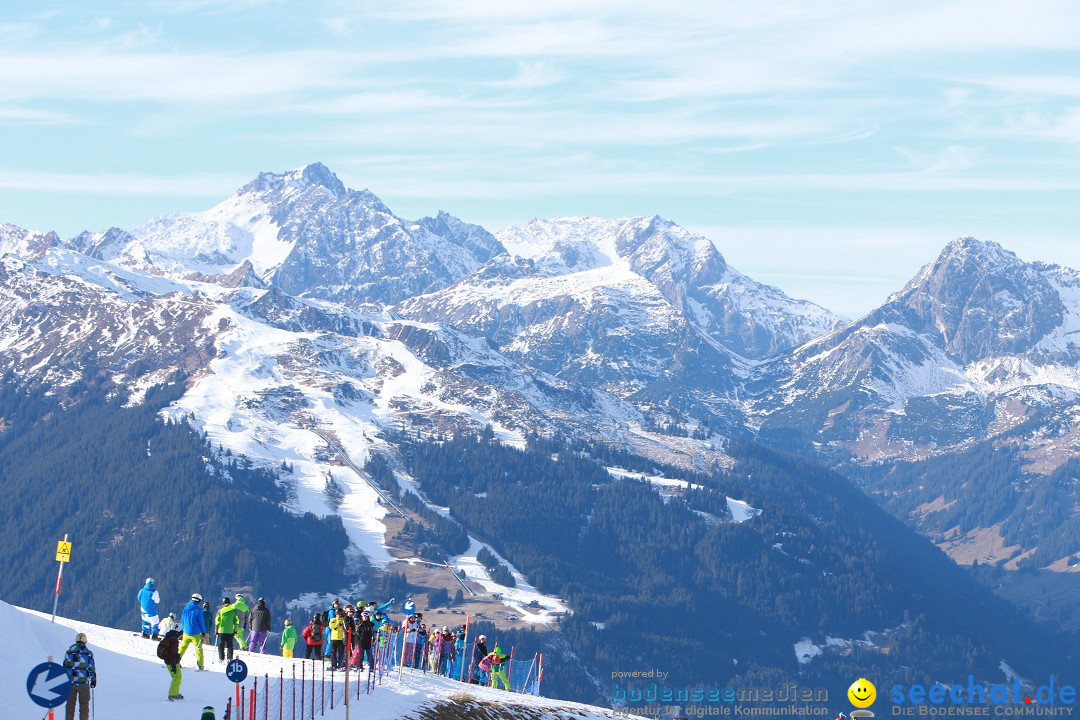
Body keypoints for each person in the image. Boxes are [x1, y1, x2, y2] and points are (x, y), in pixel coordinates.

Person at [63, 632, 96, 720]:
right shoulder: (88, 653)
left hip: (71, 683)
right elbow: (91, 668)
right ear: (85, 642)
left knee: (70, 706)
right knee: (84, 706)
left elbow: (65, 667)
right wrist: (93, 679)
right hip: (83, 683)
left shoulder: (69, 652)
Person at [178, 592, 207, 670]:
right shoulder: (198, 610)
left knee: (182, 647)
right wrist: (203, 632)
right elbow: (201, 622)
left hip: (186, 632)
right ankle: (200, 665)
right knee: (198, 649)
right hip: (195, 633)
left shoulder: (186, 608)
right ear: (198, 601)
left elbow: (182, 619)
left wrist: (184, 629)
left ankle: (176, 661)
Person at [159, 625, 183, 700]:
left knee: (176, 677)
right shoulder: (174, 641)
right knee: (177, 678)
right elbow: (172, 653)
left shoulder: (169, 637)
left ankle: (175, 693)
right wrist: (173, 665)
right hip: (172, 662)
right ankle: (173, 694)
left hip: (169, 661)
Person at [216, 597, 239, 663]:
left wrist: (216, 629)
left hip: (221, 631)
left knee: (221, 645)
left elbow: (217, 621)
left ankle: (221, 658)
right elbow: (236, 621)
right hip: (230, 631)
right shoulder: (233, 611)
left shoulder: (220, 611)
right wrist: (235, 629)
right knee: (230, 645)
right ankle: (229, 658)